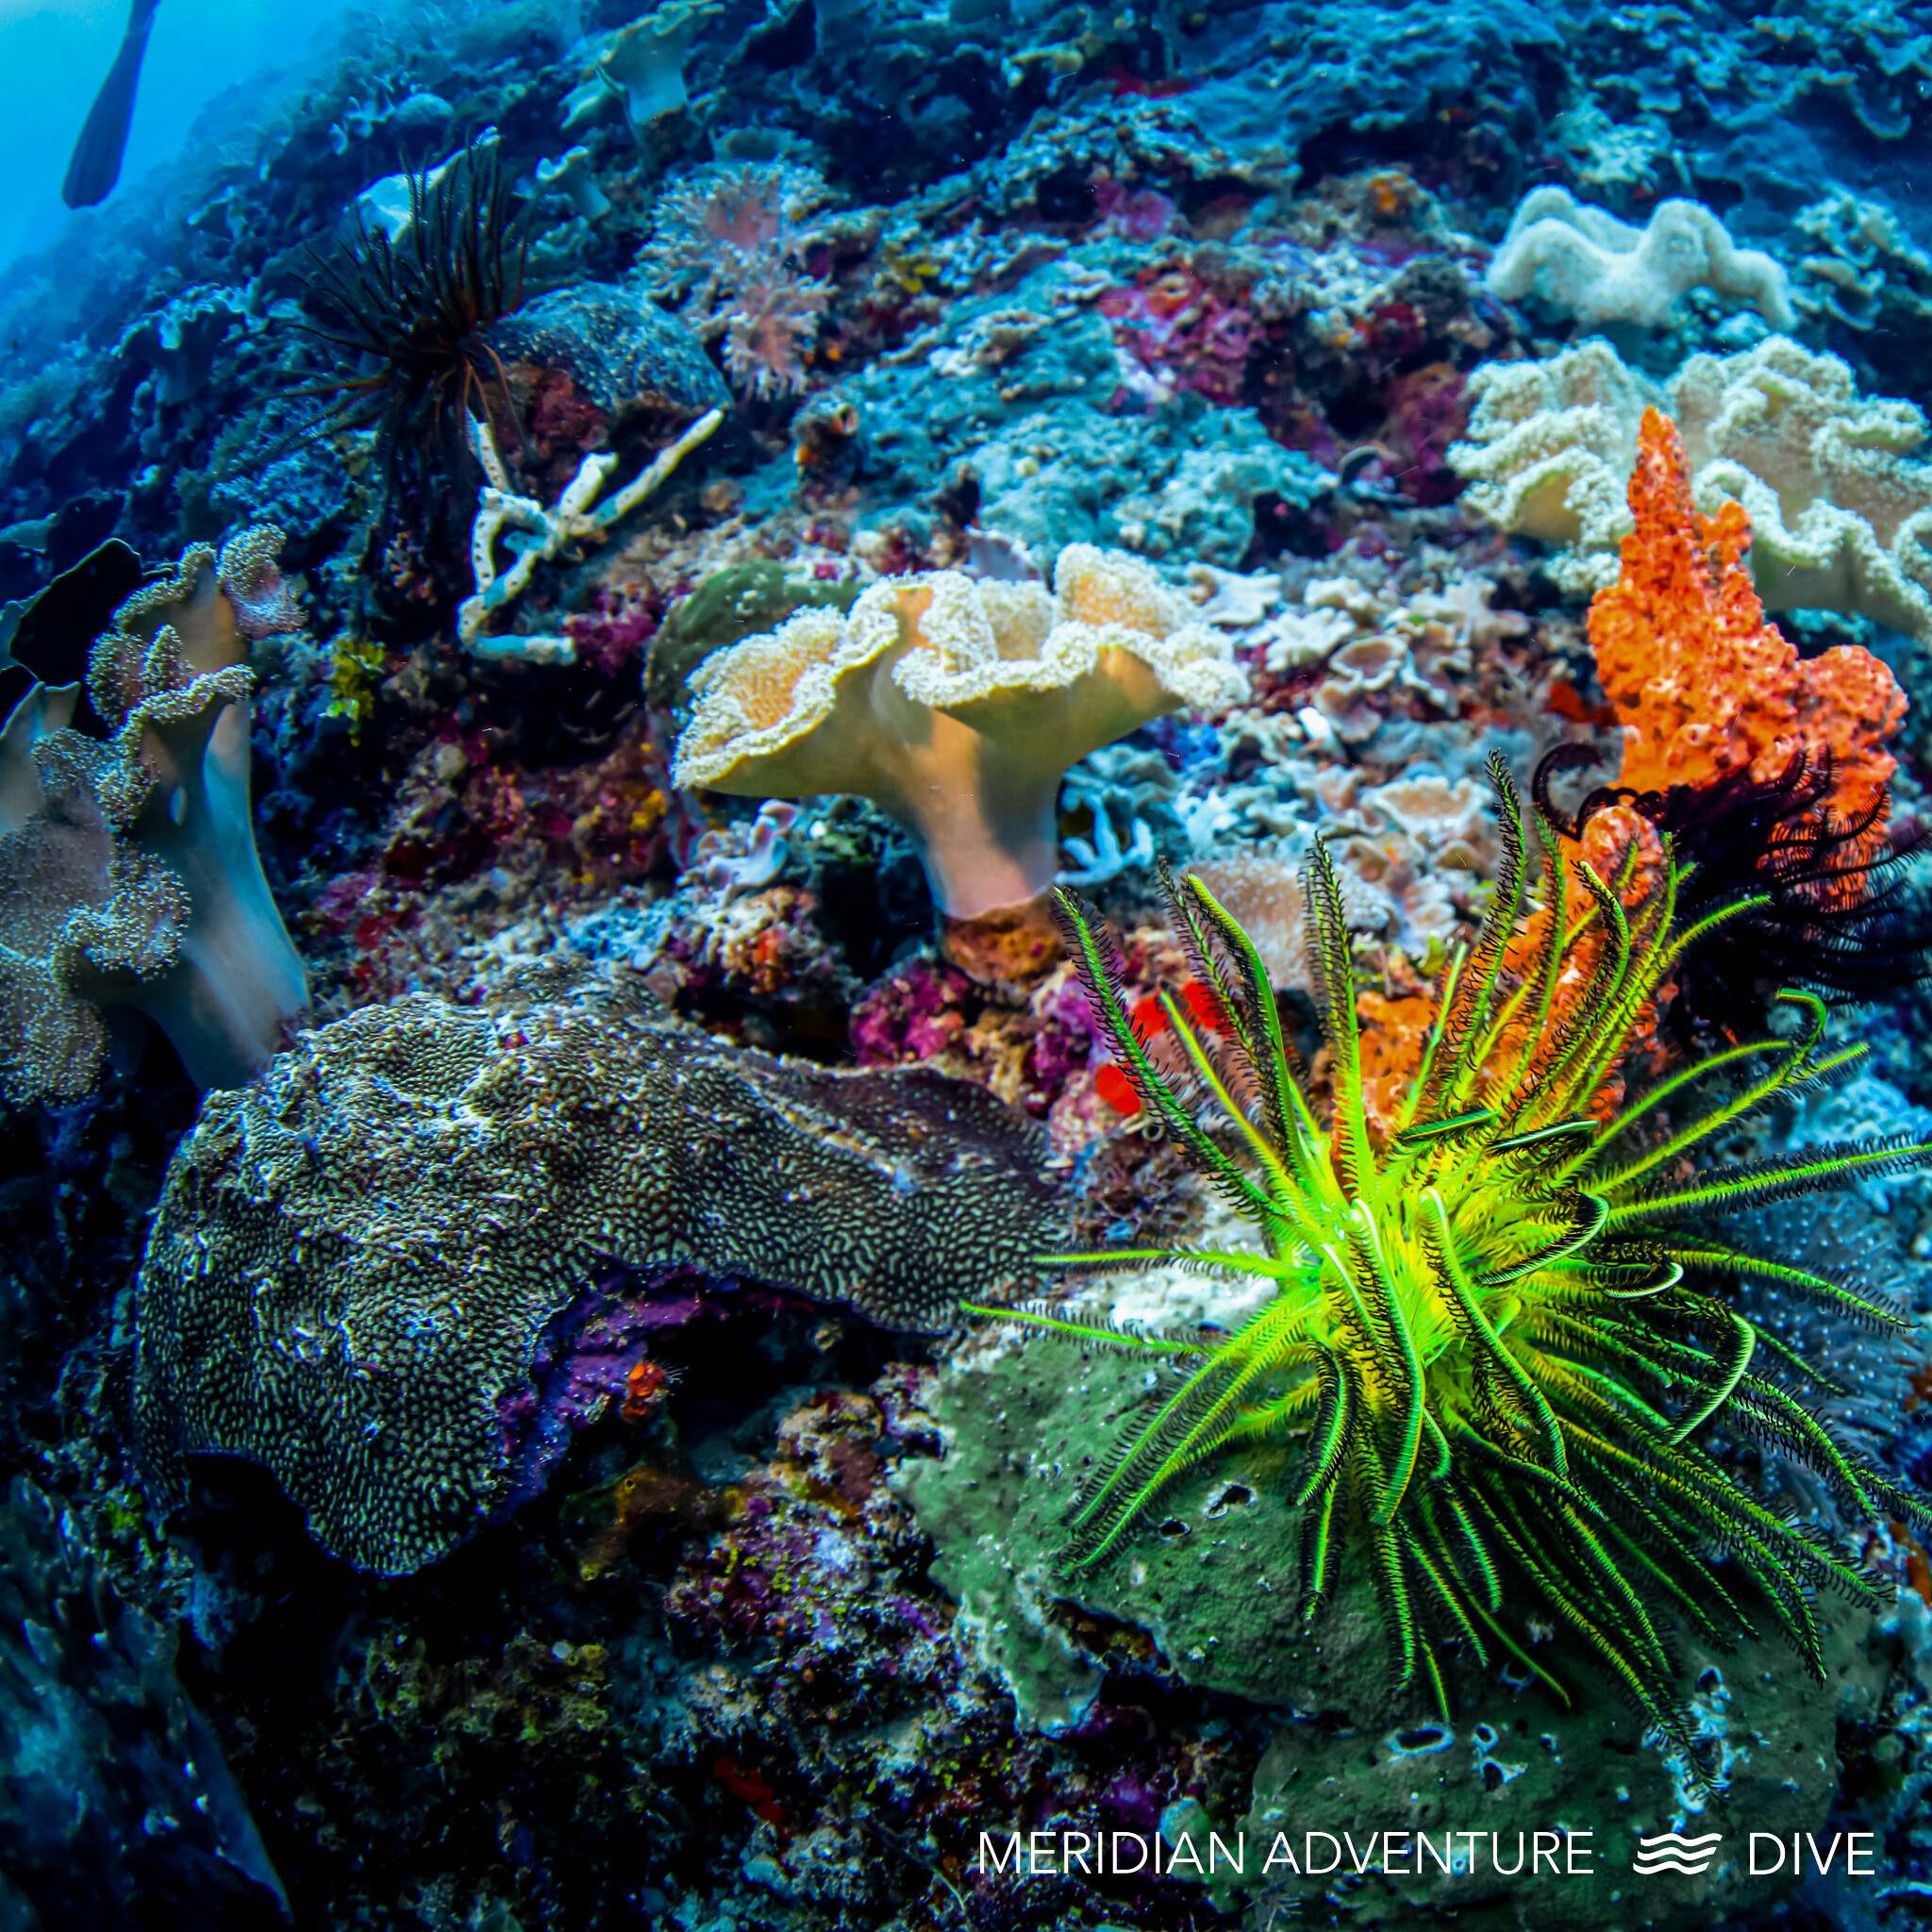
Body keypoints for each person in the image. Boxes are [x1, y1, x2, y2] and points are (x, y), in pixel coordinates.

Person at [61, 0, 162, 208]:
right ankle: (139, 26)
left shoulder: (79, 193)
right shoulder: (80, 193)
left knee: (117, 95)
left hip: (85, 187)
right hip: (86, 186)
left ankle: (139, 26)